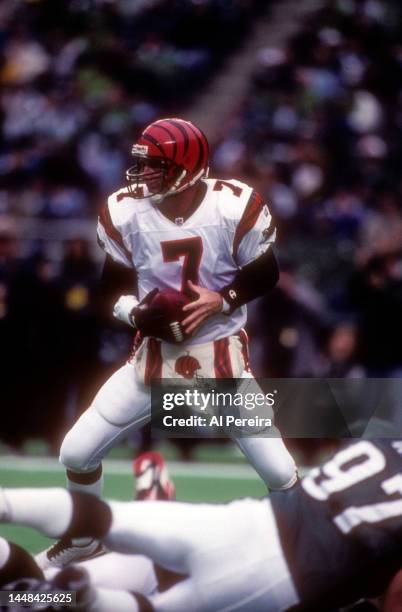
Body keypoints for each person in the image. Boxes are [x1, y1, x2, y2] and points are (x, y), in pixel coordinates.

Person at [43, 117, 297, 568]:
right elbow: (112, 288)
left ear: (188, 166)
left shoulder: (232, 206)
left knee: (281, 472)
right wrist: (135, 312)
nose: (143, 176)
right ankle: (83, 538)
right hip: (154, 357)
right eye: (142, 166)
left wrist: (223, 299)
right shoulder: (125, 211)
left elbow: (266, 271)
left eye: (156, 167)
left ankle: (306, 548)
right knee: (76, 452)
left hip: (221, 360)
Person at [2, 439, 402, 611]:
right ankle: (74, 597)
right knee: (64, 596)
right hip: (271, 578)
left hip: (241, 521)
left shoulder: (387, 444)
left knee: (103, 521)